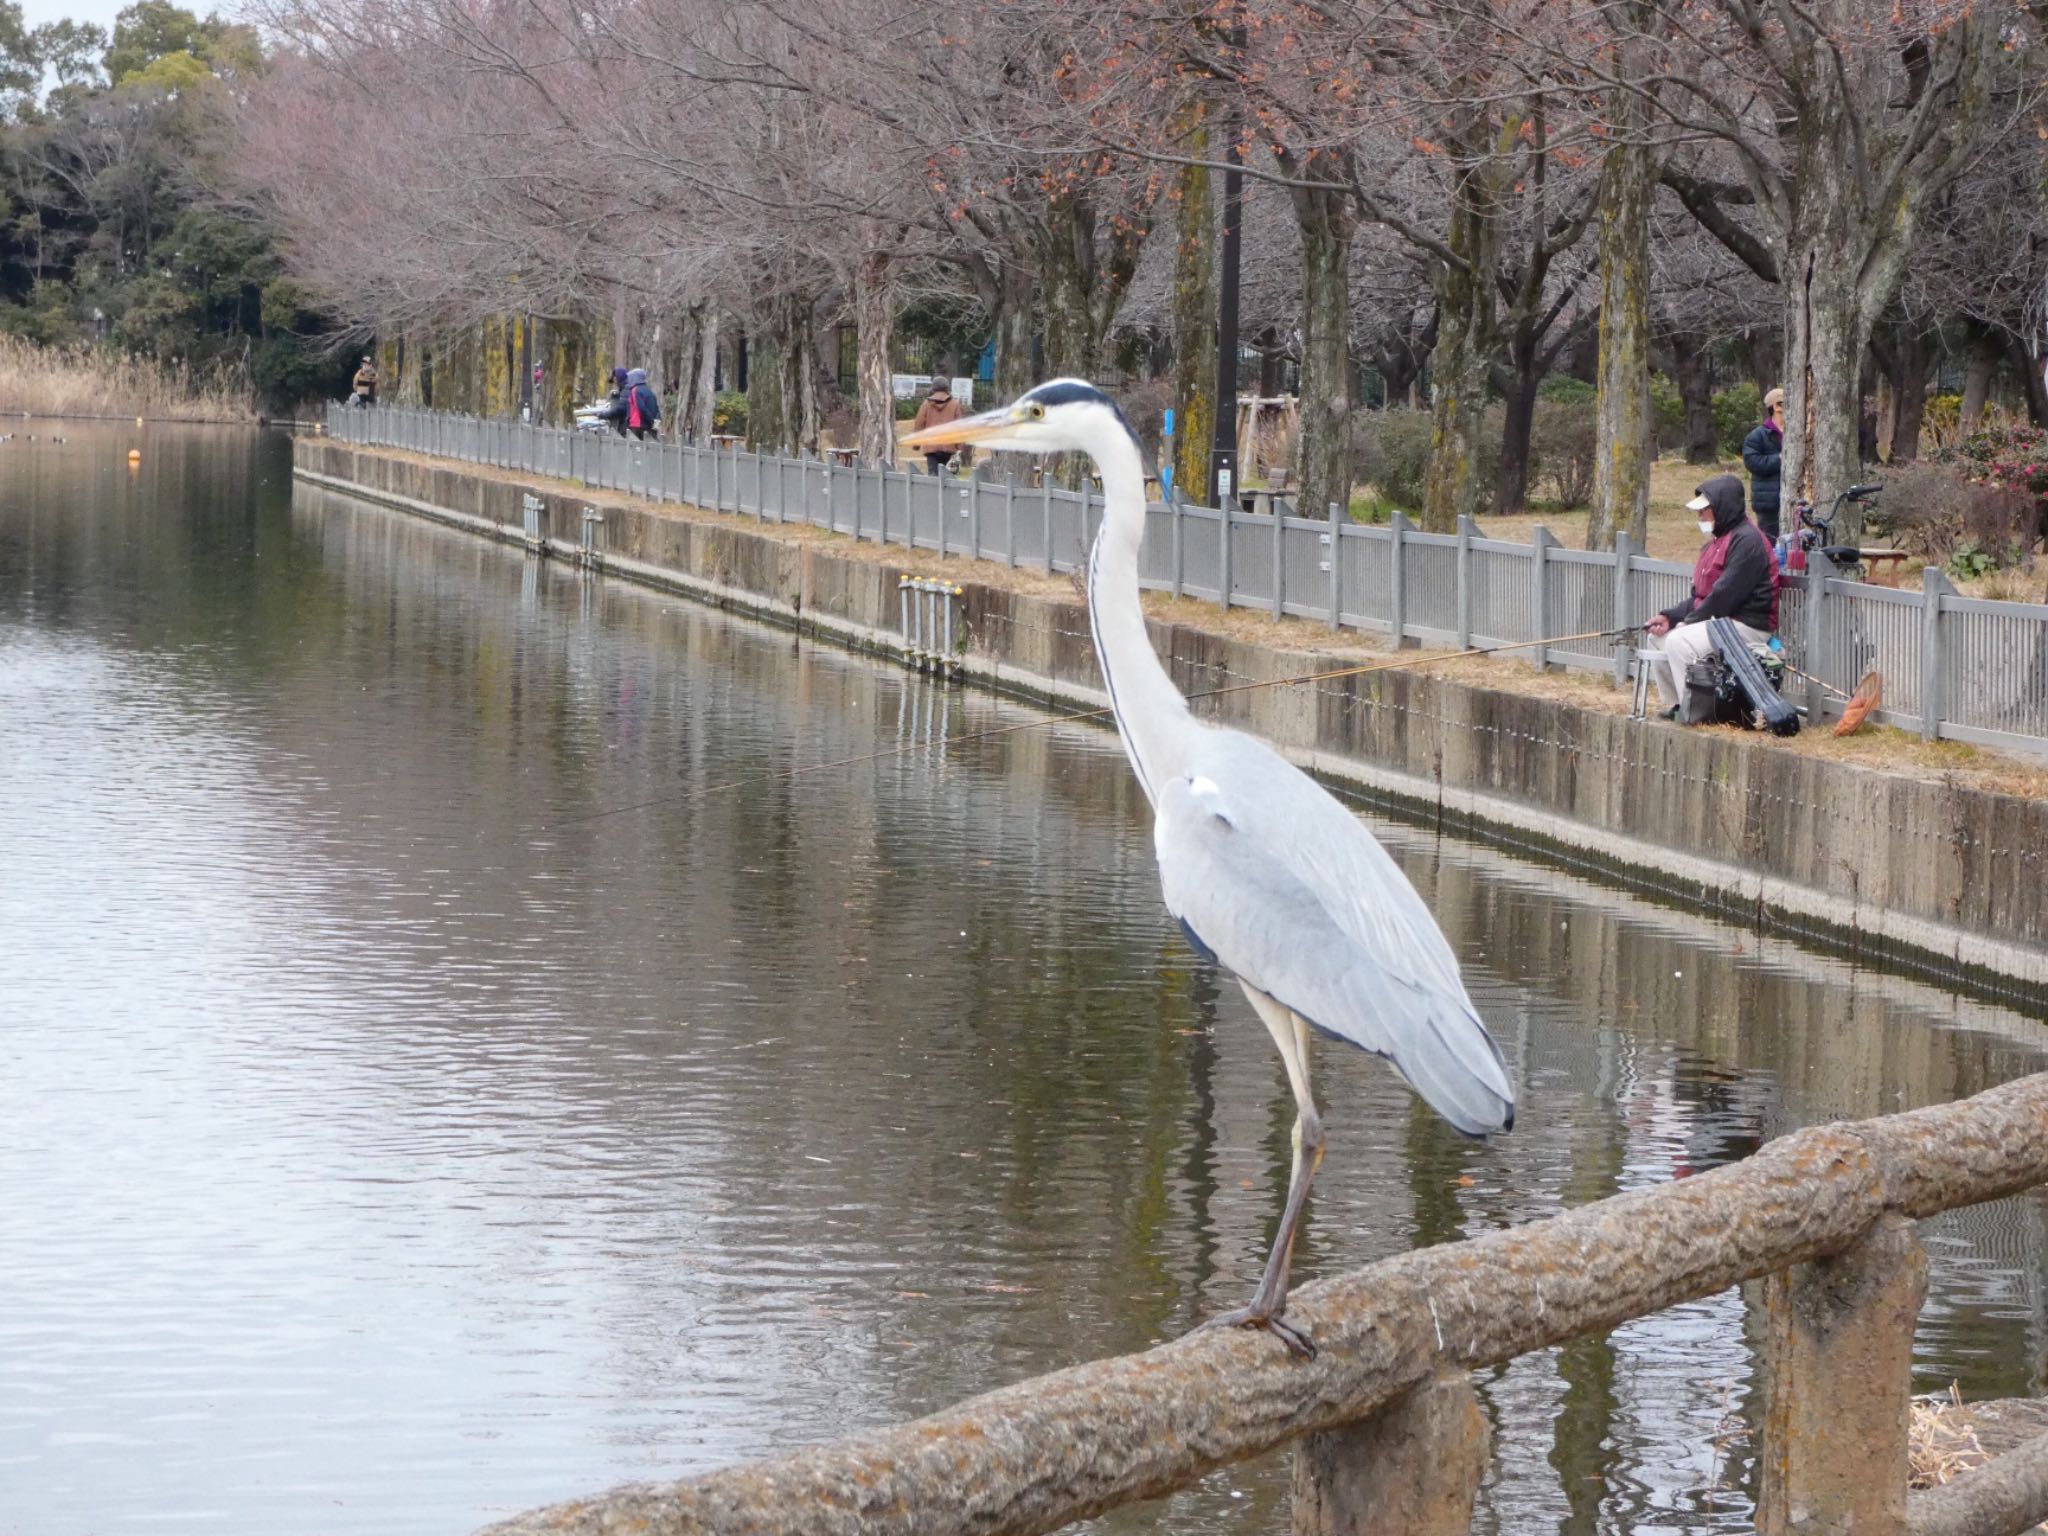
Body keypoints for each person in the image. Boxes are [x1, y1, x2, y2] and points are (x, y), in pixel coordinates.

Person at [1643, 473, 1781, 719]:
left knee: (1678, 641)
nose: (1700, 517)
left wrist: (1690, 622)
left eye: (1704, 511)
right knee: (1658, 639)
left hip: (1747, 624)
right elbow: (1700, 595)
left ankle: (1696, 710)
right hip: (1720, 620)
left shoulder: (1747, 541)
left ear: (1721, 508)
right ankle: (1677, 704)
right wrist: (1670, 617)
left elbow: (1726, 595)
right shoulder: (1716, 541)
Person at [1742, 386, 1784, 541]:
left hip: (1793, 502)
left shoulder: (1798, 433)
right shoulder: (1757, 436)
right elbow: (1752, 462)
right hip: (1768, 504)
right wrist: (1779, 458)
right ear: (1776, 406)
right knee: (1770, 545)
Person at [910, 378, 964, 473]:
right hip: (949, 448)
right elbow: (959, 428)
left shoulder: (926, 404)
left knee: (933, 477)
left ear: (933, 389)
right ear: (947, 388)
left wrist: (916, 445)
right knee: (948, 479)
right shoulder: (954, 405)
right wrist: (959, 448)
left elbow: (919, 425)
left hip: (931, 448)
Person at [622, 367, 661, 440]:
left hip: (638, 425)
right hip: (649, 425)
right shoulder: (649, 391)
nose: (629, 380)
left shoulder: (635, 390)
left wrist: (651, 420)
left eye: (630, 378)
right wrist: (655, 422)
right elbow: (656, 408)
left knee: (636, 449)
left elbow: (641, 408)